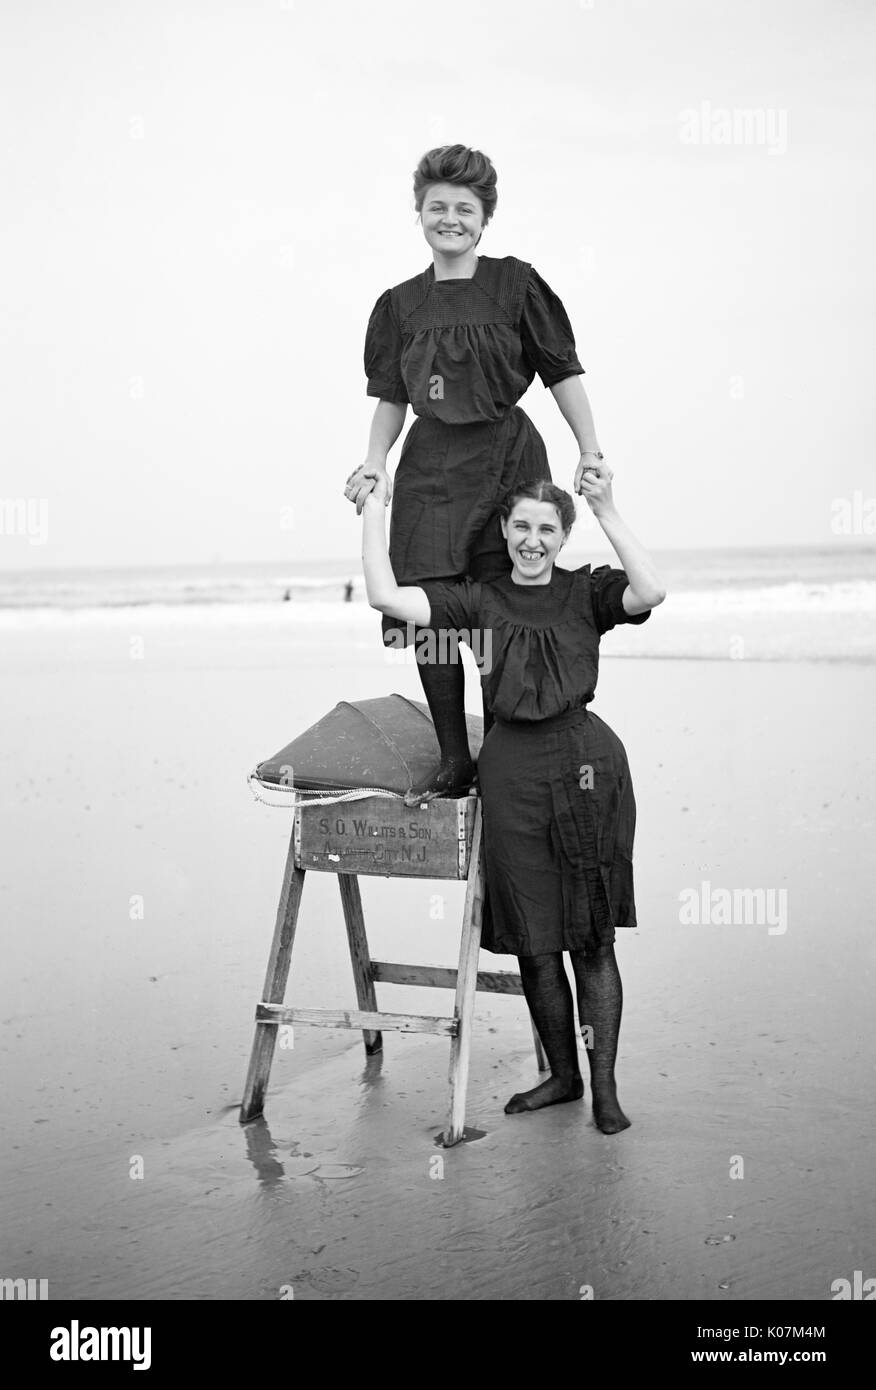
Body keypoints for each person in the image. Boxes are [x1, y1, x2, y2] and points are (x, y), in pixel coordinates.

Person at [361, 461, 665, 1133]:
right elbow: (388, 598)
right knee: (534, 939)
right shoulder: (479, 601)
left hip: (587, 764)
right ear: (504, 530)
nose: (533, 540)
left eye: (547, 529)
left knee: (591, 938)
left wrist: (609, 511)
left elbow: (653, 590)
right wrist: (374, 506)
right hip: (510, 774)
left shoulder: (588, 593)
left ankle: (605, 1088)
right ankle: (561, 1076)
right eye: (522, 526)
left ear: (562, 537)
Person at [345, 143, 604, 806]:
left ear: (484, 218)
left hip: (508, 460)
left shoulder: (516, 284)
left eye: (465, 208)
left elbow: (562, 372)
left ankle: (506, 749)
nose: (451, 218)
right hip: (430, 470)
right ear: (420, 214)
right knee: (431, 616)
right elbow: (391, 398)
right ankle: (455, 759)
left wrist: (590, 449)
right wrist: (375, 462)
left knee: (499, 608)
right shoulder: (400, 306)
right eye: (438, 207)